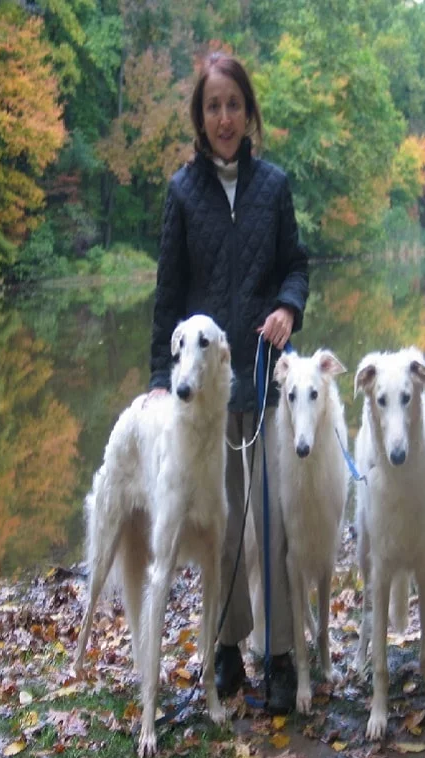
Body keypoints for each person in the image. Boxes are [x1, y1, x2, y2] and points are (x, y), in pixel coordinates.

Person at [147, 52, 309, 714]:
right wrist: (161, 377)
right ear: (199, 115)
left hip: (269, 378)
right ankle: (226, 647)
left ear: (248, 113)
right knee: (220, 525)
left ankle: (278, 652)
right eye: (212, 106)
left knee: (270, 522)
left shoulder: (274, 185)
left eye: (232, 105)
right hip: (207, 403)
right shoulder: (182, 193)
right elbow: (168, 296)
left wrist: (286, 308)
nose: (223, 117)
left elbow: (296, 265)